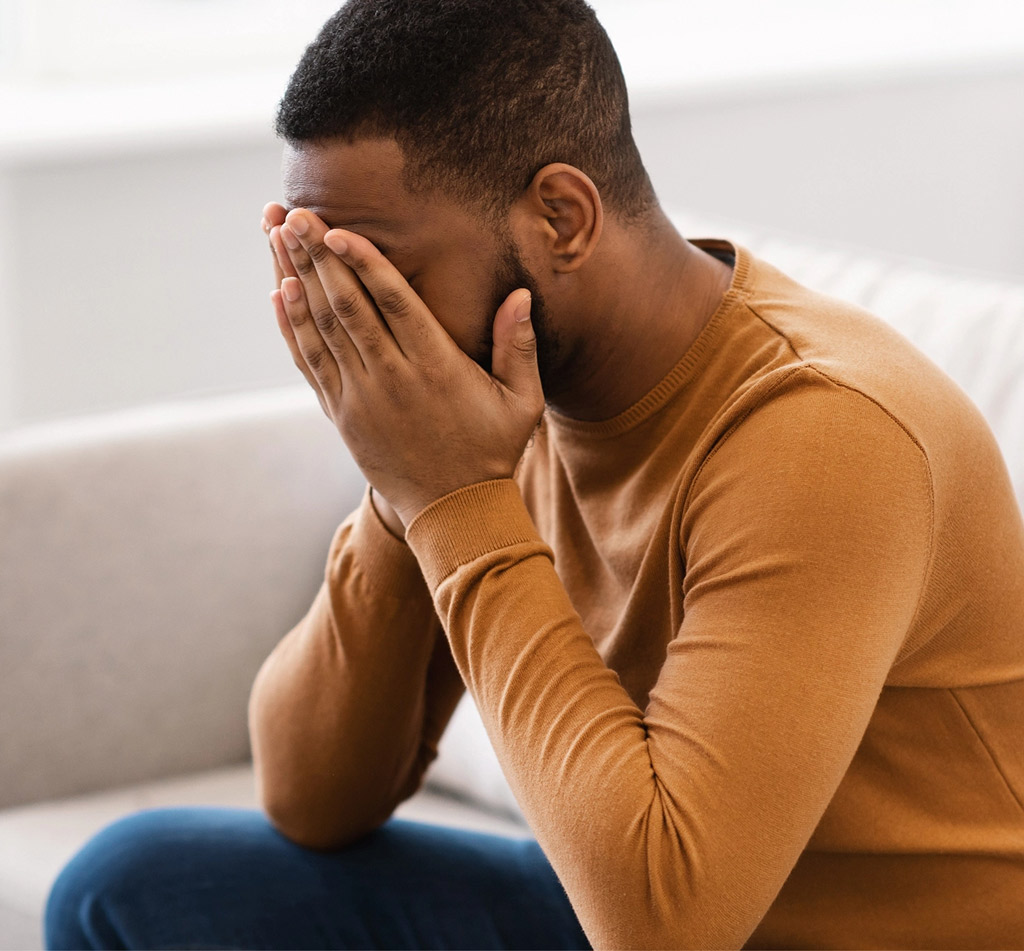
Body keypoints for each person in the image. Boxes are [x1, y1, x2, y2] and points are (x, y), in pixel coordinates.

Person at [45, 0, 1024, 948]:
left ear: (561, 216)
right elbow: (312, 800)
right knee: (134, 885)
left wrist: (454, 499)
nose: (355, 321)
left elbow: (662, 925)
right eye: (326, 273)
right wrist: (402, 495)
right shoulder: (488, 394)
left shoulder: (825, 432)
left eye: (382, 274)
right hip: (623, 904)